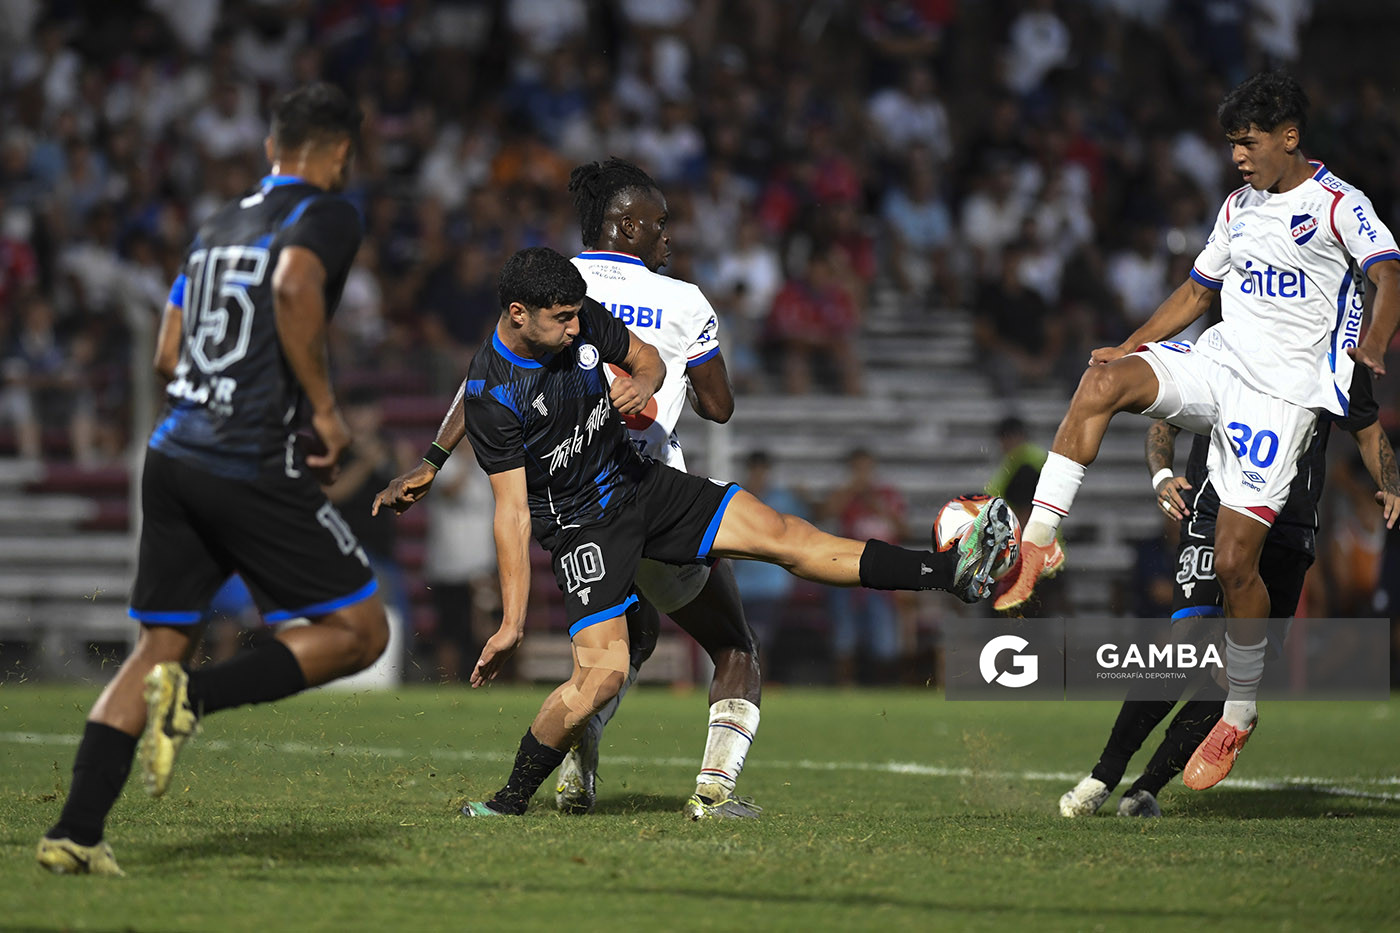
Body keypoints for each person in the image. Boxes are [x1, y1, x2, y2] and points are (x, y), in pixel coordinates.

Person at [372, 246, 1015, 820]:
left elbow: (646, 358)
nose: (576, 327)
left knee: (785, 535)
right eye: (562, 319)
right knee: (603, 676)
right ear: (517, 314)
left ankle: (947, 573)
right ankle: (506, 802)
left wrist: (643, 383)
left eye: (577, 317)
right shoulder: (494, 395)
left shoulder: (580, 316)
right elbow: (510, 514)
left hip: (642, 483)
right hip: (581, 526)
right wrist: (511, 623)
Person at [996, 71, 1400, 789]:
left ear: (1289, 136)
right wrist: (1129, 344)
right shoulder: (1237, 206)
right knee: (1101, 383)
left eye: (1248, 143)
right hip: (1220, 365)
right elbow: (1195, 290)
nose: (1238, 156)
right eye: (1232, 144)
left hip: (1281, 401)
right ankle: (1038, 546)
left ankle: (1238, 712)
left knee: (1236, 562)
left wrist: (1372, 344)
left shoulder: (1341, 204)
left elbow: (1389, 270)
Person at [36, 83, 389, 876]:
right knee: (363, 631)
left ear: (272, 147)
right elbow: (296, 285)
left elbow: (168, 352)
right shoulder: (328, 213)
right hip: (247, 456)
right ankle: (195, 699)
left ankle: (75, 833)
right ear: (337, 155)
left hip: (173, 452)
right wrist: (325, 414)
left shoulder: (215, 225)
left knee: (158, 643)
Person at [1061, 365, 1398, 816]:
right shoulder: (1225, 343)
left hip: (1289, 530)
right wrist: (1161, 474)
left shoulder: (1335, 358)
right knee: (1186, 645)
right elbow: (1165, 418)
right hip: (1213, 513)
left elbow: (1367, 429)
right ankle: (1104, 773)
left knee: (1234, 673)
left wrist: (1391, 486)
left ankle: (1146, 788)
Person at [557, 157, 763, 820]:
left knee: (631, 640)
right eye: (659, 223)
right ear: (625, 226)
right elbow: (719, 406)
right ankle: (714, 789)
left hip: (574, 506)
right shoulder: (683, 300)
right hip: (655, 496)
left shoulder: (548, 281)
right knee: (734, 645)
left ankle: (578, 754)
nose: (668, 238)